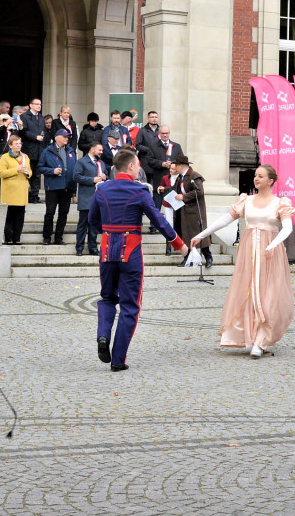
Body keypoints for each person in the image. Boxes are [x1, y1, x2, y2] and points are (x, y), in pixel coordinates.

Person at [90, 148, 187, 372]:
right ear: (131, 166)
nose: (139, 169)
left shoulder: (102, 189)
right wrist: (178, 243)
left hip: (106, 250)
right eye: (138, 165)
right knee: (130, 305)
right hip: (130, 251)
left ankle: (103, 336)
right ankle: (118, 359)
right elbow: (159, 221)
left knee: (106, 297)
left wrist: (106, 232)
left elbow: (92, 220)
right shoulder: (139, 190)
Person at [191, 164, 295, 358]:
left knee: (269, 293)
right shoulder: (246, 200)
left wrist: (273, 245)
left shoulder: (280, 203)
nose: (256, 179)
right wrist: (201, 235)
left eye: (261, 176)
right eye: (256, 175)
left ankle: (262, 339)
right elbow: (225, 220)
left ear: (270, 181)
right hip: (249, 251)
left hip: (269, 252)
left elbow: (287, 227)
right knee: (248, 290)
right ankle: (247, 335)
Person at [169, 155, 213, 267]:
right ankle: (187, 258)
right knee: (185, 235)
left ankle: (208, 257)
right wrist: (164, 189)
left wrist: (184, 197)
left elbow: (199, 192)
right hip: (183, 211)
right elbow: (175, 190)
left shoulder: (194, 176)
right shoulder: (180, 177)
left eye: (176, 165)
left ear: (181, 165)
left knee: (199, 234)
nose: (174, 167)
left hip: (194, 212)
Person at [37, 128, 77, 245]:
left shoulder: (71, 151)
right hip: (53, 186)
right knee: (50, 212)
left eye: (67, 137)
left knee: (63, 214)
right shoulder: (48, 150)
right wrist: (52, 171)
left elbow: (74, 170)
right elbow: (40, 167)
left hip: (67, 187)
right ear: (57, 138)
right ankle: (47, 237)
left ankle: (59, 237)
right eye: (64, 136)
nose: (66, 139)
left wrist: (73, 189)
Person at [73, 142, 108, 255]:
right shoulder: (81, 162)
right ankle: (79, 247)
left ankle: (93, 247)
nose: (101, 152)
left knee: (94, 226)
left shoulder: (101, 163)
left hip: (99, 199)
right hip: (86, 198)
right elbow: (76, 176)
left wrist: (104, 177)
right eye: (99, 150)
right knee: (82, 225)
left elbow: (105, 174)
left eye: (102, 150)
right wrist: (92, 180)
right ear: (92, 150)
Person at [0, 134, 31, 244]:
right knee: (9, 218)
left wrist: (28, 173)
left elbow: (30, 172)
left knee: (19, 218)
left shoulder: (25, 157)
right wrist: (15, 170)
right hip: (9, 193)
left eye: (20, 143)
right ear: (10, 145)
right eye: (16, 143)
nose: (19, 145)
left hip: (22, 191)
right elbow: (1, 173)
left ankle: (17, 238)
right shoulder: (5, 157)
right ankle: (8, 239)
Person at [145, 124, 184, 209]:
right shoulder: (153, 146)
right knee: (156, 208)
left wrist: (173, 164)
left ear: (169, 133)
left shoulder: (176, 146)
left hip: (174, 182)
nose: (165, 135)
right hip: (159, 180)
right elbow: (149, 160)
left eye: (167, 133)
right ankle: (154, 223)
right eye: (163, 133)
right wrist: (161, 164)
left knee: (174, 209)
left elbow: (182, 162)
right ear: (159, 134)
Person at [19, 97, 45, 203]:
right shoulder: (24, 116)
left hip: (40, 150)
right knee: (27, 173)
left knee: (37, 175)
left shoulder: (41, 117)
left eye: (40, 104)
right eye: (36, 104)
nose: (39, 106)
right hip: (29, 149)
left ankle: (35, 195)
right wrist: (35, 137)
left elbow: (43, 131)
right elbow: (23, 132)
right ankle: (26, 194)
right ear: (31, 105)